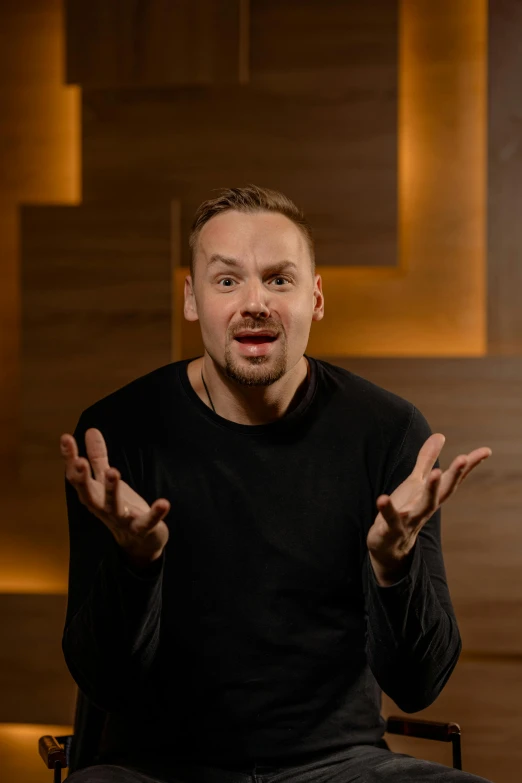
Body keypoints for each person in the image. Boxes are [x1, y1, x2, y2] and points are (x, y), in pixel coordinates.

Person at [60, 185, 494, 783]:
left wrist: (395, 568)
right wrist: (136, 564)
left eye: (279, 280)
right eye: (228, 280)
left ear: (315, 298)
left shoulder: (389, 433)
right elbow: (103, 680)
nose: (255, 302)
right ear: (192, 298)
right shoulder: (117, 435)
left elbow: (419, 686)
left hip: (339, 766)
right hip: (158, 768)